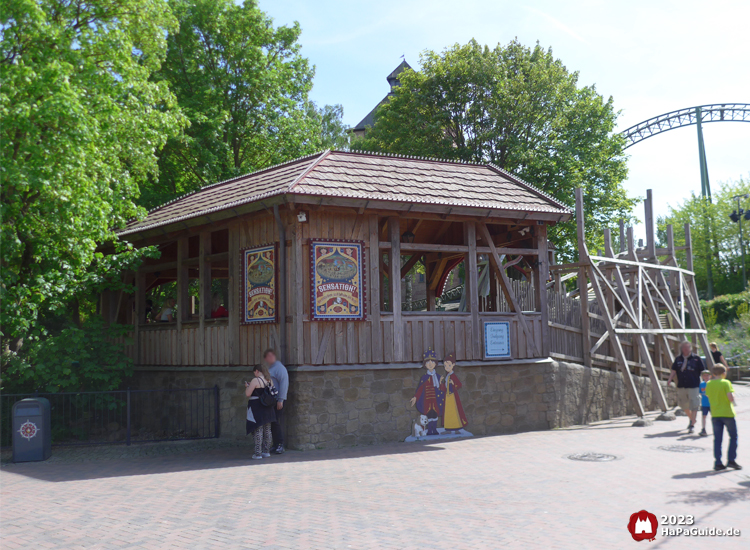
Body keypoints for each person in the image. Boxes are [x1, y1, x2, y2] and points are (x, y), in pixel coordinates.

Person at [705, 365, 741, 471]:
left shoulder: (709, 384)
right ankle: (731, 460)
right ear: (723, 373)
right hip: (727, 413)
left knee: (718, 439)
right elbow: (730, 398)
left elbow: (708, 396)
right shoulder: (726, 383)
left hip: (715, 414)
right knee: (733, 437)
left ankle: (718, 462)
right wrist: (733, 395)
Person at [666, 341, 704, 434]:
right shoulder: (678, 359)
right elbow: (674, 370)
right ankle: (692, 419)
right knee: (683, 404)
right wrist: (670, 379)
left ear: (691, 348)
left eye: (688, 347)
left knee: (694, 404)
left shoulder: (697, 359)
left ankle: (692, 425)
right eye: (684, 347)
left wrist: (705, 383)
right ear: (681, 349)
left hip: (694, 385)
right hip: (682, 385)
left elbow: (703, 371)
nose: (686, 349)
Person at [410, 348, 445, 436]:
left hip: (436, 400)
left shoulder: (438, 376)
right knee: (429, 415)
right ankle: (430, 430)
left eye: (432, 362)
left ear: (435, 364)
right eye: (428, 362)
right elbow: (420, 389)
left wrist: (440, 382)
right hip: (427, 401)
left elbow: (441, 389)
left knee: (435, 414)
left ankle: (435, 429)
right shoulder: (424, 378)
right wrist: (415, 397)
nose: (430, 364)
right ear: (425, 364)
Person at [245, 363, 276, 460]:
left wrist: (247, 386)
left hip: (257, 407)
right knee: (267, 429)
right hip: (268, 407)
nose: (254, 374)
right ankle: (266, 451)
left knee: (258, 429)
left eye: (255, 372)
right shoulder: (269, 380)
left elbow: (248, 393)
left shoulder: (255, 380)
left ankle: (257, 453)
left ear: (257, 371)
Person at [264, 349, 288, 455]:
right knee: (272, 422)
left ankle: (280, 444)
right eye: (268, 356)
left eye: (272, 355)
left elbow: (284, 384)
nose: (270, 357)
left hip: (278, 400)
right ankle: (275, 444)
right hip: (271, 400)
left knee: (275, 421)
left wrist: (281, 399)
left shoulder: (279, 368)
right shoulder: (271, 368)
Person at [440, 353, 468, 434]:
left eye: (448, 365)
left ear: (453, 365)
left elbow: (459, 385)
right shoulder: (447, 376)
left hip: (453, 397)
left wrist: (453, 383)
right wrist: (440, 382)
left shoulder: (453, 376)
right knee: (448, 412)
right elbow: (444, 388)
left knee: (455, 412)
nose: (447, 367)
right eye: (445, 366)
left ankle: (456, 428)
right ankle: (448, 429)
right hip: (447, 397)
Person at [698, 371, 712, 437]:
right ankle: (703, 429)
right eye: (704, 376)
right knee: (704, 416)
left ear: (710, 376)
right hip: (704, 403)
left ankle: (716, 429)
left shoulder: (712, 383)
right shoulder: (701, 384)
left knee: (714, 417)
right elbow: (700, 392)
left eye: (707, 375)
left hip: (712, 403)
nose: (706, 377)